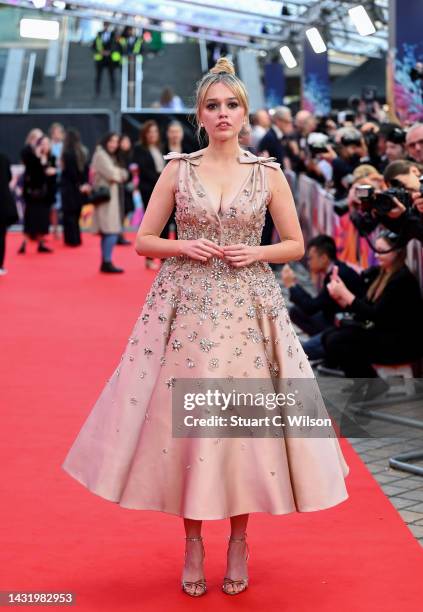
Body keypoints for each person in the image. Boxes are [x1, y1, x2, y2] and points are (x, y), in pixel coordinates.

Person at [62, 57, 350, 599]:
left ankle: (239, 539)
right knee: (190, 425)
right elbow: (144, 238)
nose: (223, 114)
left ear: (245, 113)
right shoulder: (179, 169)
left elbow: (294, 244)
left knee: (244, 427)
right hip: (186, 308)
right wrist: (182, 245)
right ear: (199, 114)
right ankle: (193, 540)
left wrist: (256, 251)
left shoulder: (267, 173)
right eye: (213, 106)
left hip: (249, 308)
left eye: (232, 105)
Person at [322, 230, 423, 392]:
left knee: (337, 341)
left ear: (397, 251)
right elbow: (365, 308)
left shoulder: (402, 279)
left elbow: (376, 315)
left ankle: (374, 384)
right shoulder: (382, 273)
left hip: (400, 343)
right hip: (383, 334)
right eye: (376, 250)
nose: (377, 255)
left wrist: (346, 295)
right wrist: (340, 297)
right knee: (329, 336)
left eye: (382, 251)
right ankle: (361, 382)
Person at [281, 235, 363, 361]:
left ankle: (332, 355)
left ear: (324, 258)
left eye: (311, 258)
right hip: (332, 320)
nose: (308, 263)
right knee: (296, 311)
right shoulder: (336, 270)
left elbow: (311, 307)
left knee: (300, 353)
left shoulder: (337, 275)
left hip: (345, 328)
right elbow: (315, 305)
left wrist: (292, 285)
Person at [90, 132, 128, 273]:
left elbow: (120, 174)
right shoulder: (101, 155)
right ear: (106, 141)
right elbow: (113, 174)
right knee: (110, 230)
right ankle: (107, 261)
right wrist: (121, 174)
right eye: (111, 141)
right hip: (105, 199)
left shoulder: (109, 155)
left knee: (109, 230)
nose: (114, 144)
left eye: (116, 141)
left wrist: (120, 174)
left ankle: (106, 260)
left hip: (110, 198)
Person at [132, 120, 165, 269]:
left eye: (155, 132)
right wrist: (163, 180)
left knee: (164, 224)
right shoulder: (139, 149)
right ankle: (149, 258)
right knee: (151, 226)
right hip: (149, 189)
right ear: (145, 134)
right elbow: (144, 170)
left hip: (163, 189)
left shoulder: (160, 147)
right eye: (150, 132)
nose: (153, 135)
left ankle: (164, 257)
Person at [18, 133, 57, 254]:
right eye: (43, 144)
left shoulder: (52, 158)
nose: (45, 146)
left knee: (43, 220)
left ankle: (41, 243)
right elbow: (32, 173)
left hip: (45, 194)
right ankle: (24, 243)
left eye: (47, 144)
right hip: (32, 194)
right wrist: (40, 160)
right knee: (30, 219)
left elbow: (52, 176)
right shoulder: (32, 157)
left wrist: (52, 171)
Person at [60, 128, 90, 247]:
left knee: (68, 215)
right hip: (79, 188)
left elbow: (69, 172)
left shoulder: (67, 153)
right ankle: (77, 238)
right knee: (76, 214)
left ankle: (70, 240)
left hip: (69, 187)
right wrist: (83, 183)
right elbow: (86, 170)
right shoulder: (82, 152)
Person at [0, 152, 18, 275]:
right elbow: (9, 177)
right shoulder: (4, 157)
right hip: (3, 202)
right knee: (1, 235)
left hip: (3, 202)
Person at [92, 23, 120, 97]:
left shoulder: (113, 35)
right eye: (105, 25)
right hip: (100, 59)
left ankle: (112, 93)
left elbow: (117, 45)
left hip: (110, 59)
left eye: (107, 25)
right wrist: (100, 51)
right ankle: (97, 92)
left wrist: (109, 52)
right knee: (98, 77)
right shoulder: (99, 34)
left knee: (112, 77)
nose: (106, 27)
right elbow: (94, 45)